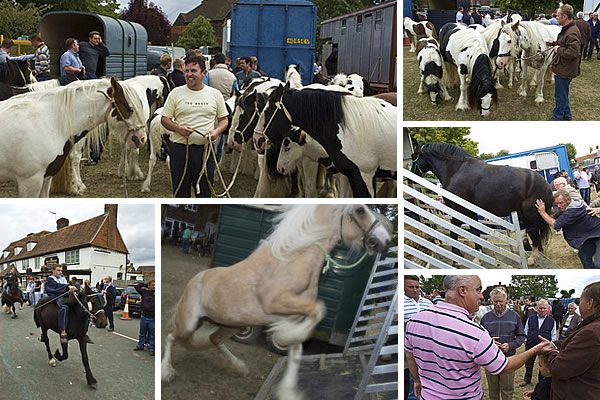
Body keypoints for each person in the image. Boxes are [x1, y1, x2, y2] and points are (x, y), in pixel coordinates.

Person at [405, 275, 554, 399]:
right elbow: (505, 366)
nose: (481, 296)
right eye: (478, 290)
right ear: (462, 291)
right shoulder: (474, 332)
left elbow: (410, 357)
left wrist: (417, 380)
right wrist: (535, 350)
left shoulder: (414, 321)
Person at [161, 55, 229, 198]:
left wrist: (216, 132)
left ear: (204, 73)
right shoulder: (176, 93)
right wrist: (179, 129)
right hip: (180, 150)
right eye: (186, 71)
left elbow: (224, 120)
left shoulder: (215, 95)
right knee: (180, 194)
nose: (189, 75)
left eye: (193, 71)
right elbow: (164, 119)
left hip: (205, 151)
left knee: (205, 194)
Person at [545, 281, 600, 398]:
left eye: (580, 302)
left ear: (590, 303)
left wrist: (551, 352)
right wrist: (554, 344)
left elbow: (559, 368)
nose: (578, 306)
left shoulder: (591, 332)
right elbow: (573, 342)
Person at [480, 287, 526, 400]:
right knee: (493, 391)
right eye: (495, 301)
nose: (498, 304)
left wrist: (510, 345)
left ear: (506, 300)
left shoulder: (515, 316)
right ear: (491, 300)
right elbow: (480, 338)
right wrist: (489, 342)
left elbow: (521, 337)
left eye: (501, 301)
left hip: (508, 360)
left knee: (507, 391)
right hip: (491, 359)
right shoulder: (486, 318)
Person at [536, 189, 600, 268]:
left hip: (598, 234)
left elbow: (555, 224)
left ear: (569, 200)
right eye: (557, 204)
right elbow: (555, 217)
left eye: (561, 203)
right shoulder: (571, 205)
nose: (559, 206)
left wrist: (542, 213)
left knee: (598, 264)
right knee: (585, 258)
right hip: (589, 237)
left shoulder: (573, 210)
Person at [546, 4, 581, 121]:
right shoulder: (568, 29)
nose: (556, 17)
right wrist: (553, 43)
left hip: (565, 70)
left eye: (558, 15)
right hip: (563, 68)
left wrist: (558, 49)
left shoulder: (572, 32)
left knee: (560, 96)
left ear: (565, 16)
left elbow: (574, 52)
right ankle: (567, 115)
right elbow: (564, 43)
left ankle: (558, 117)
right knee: (563, 94)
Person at [404, 275, 433, 400]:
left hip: (429, 350)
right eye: (411, 287)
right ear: (404, 288)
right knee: (413, 382)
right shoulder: (400, 304)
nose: (415, 290)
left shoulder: (428, 303)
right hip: (410, 350)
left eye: (417, 287)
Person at [521, 299, 556, 387]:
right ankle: (527, 379)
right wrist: (525, 340)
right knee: (529, 363)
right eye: (541, 308)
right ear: (537, 309)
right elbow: (526, 330)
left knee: (543, 364)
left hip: (544, 347)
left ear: (548, 309)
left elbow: (554, 335)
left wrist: (550, 344)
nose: (542, 310)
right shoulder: (530, 318)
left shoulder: (552, 321)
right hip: (531, 345)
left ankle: (541, 381)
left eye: (544, 308)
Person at [44, 264, 78, 344]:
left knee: (79, 305)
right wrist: (67, 287)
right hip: (57, 297)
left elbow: (66, 289)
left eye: (61, 270)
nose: (60, 272)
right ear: (53, 270)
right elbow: (56, 287)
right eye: (58, 270)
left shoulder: (63, 279)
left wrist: (72, 290)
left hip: (66, 296)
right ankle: (63, 331)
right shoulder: (50, 279)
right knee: (64, 307)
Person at [133, 280, 155, 356]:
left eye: (155, 285)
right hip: (144, 316)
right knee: (142, 332)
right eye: (153, 285)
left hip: (153, 317)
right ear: (148, 285)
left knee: (152, 334)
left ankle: (152, 348)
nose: (154, 286)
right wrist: (145, 285)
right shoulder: (144, 292)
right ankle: (140, 345)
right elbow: (136, 286)